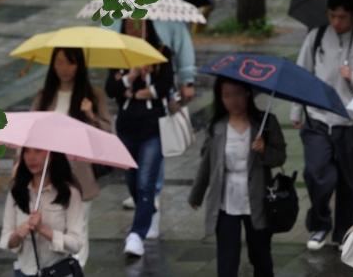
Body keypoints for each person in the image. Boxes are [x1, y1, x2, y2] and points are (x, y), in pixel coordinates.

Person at [290, 0, 353, 251]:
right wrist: (296, 111)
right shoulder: (317, 37)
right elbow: (302, 75)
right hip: (318, 118)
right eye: (332, 15)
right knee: (317, 172)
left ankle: (343, 232)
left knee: (351, 181)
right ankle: (320, 223)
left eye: (342, 17)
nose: (336, 22)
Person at [189, 76, 287, 277]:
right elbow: (207, 164)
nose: (233, 100)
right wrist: (196, 195)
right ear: (220, 98)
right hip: (226, 200)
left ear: (248, 94)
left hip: (258, 200)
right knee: (227, 257)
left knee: (260, 254)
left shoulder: (265, 123)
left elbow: (280, 156)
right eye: (227, 95)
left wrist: (264, 151)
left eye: (238, 94)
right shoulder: (216, 127)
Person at [29, 47, 112, 268]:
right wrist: (21, 162)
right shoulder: (44, 96)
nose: (64, 68)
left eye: (70, 62)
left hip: (80, 172)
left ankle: (75, 269)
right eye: (59, 62)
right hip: (48, 173)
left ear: (79, 65)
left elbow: (106, 133)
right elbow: (30, 131)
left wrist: (91, 114)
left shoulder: (93, 96)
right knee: (50, 223)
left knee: (78, 226)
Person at [105, 19, 174, 256]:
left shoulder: (161, 53)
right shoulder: (119, 55)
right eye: (129, 25)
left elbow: (164, 87)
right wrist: (132, 75)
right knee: (132, 182)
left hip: (152, 129)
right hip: (126, 128)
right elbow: (111, 89)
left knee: (146, 182)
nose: (134, 29)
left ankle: (136, 234)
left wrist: (132, 92)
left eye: (139, 25)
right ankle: (149, 214)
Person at [0, 148, 83, 277]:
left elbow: (76, 244)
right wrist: (18, 234)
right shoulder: (16, 191)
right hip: (24, 272)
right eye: (26, 151)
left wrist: (43, 229)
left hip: (57, 272)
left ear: (52, 155)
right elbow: (6, 238)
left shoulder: (70, 194)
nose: (31, 157)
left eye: (38, 151)